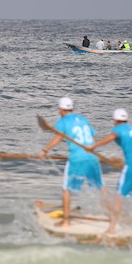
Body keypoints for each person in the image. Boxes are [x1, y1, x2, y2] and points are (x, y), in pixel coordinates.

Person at [39, 97, 105, 227]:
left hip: (77, 158)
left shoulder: (63, 121)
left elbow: (58, 138)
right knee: (101, 188)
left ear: (61, 109)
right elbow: (92, 138)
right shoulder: (83, 119)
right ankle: (115, 216)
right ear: (72, 108)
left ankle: (66, 221)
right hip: (92, 156)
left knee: (66, 189)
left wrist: (44, 150)